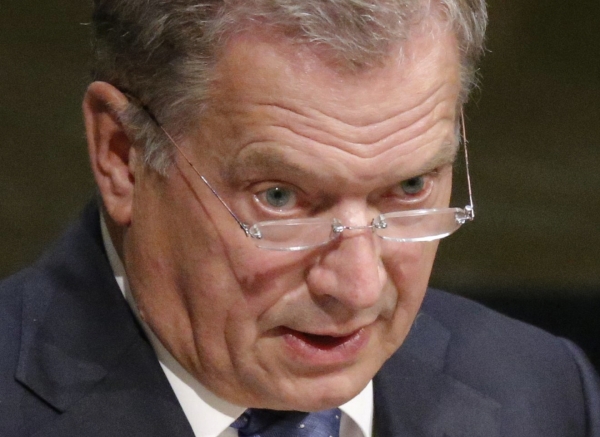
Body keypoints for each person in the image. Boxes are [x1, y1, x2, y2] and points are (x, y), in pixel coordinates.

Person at [1, 0, 599, 436]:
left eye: (410, 187)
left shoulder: (541, 392)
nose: (358, 288)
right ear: (122, 157)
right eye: (280, 197)